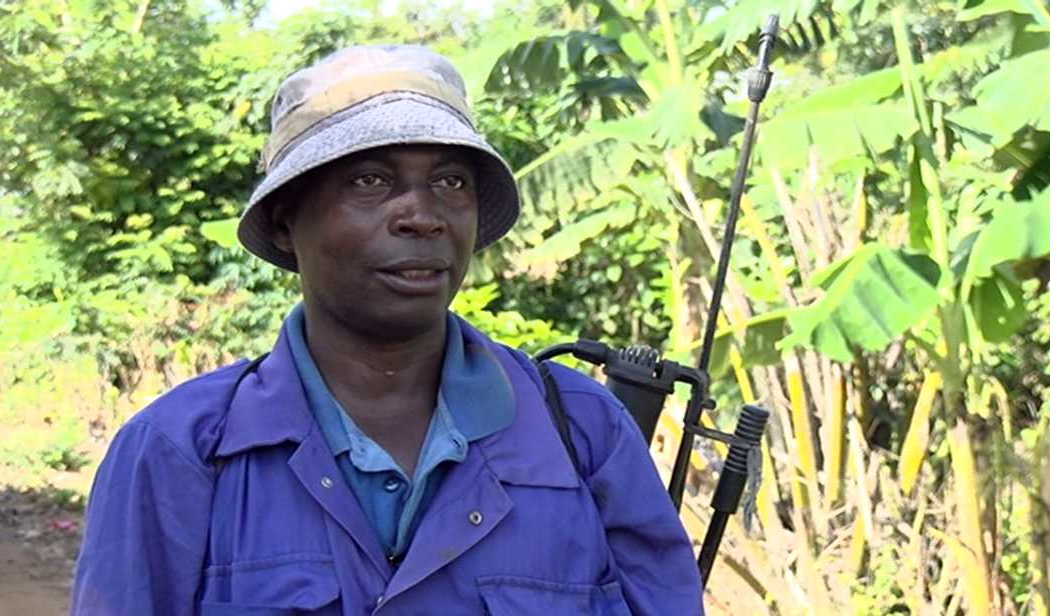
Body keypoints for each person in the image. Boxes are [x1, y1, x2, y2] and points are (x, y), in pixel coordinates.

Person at [70, 44, 704, 615]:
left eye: (450, 182)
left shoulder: (584, 434)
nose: (422, 216)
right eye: (370, 180)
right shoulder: (181, 451)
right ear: (288, 220)